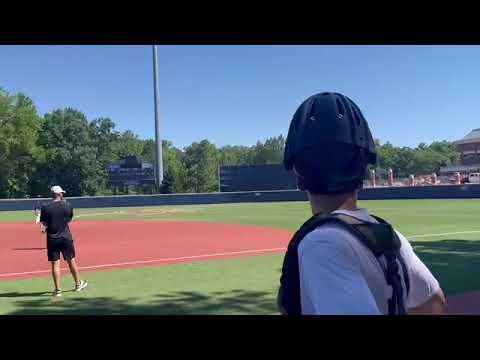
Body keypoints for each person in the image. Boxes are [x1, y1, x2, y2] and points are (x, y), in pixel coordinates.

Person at [278, 92, 445, 315]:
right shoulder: (391, 236)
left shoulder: (321, 244)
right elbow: (434, 303)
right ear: (363, 171)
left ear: (298, 177)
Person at [40, 185, 87, 297]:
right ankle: (78, 284)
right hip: (66, 237)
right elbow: (69, 219)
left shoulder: (45, 207)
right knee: (71, 261)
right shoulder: (68, 205)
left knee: (55, 264)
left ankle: (57, 290)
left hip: (52, 239)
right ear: (60, 194)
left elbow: (44, 224)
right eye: (62, 193)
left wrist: (47, 225)